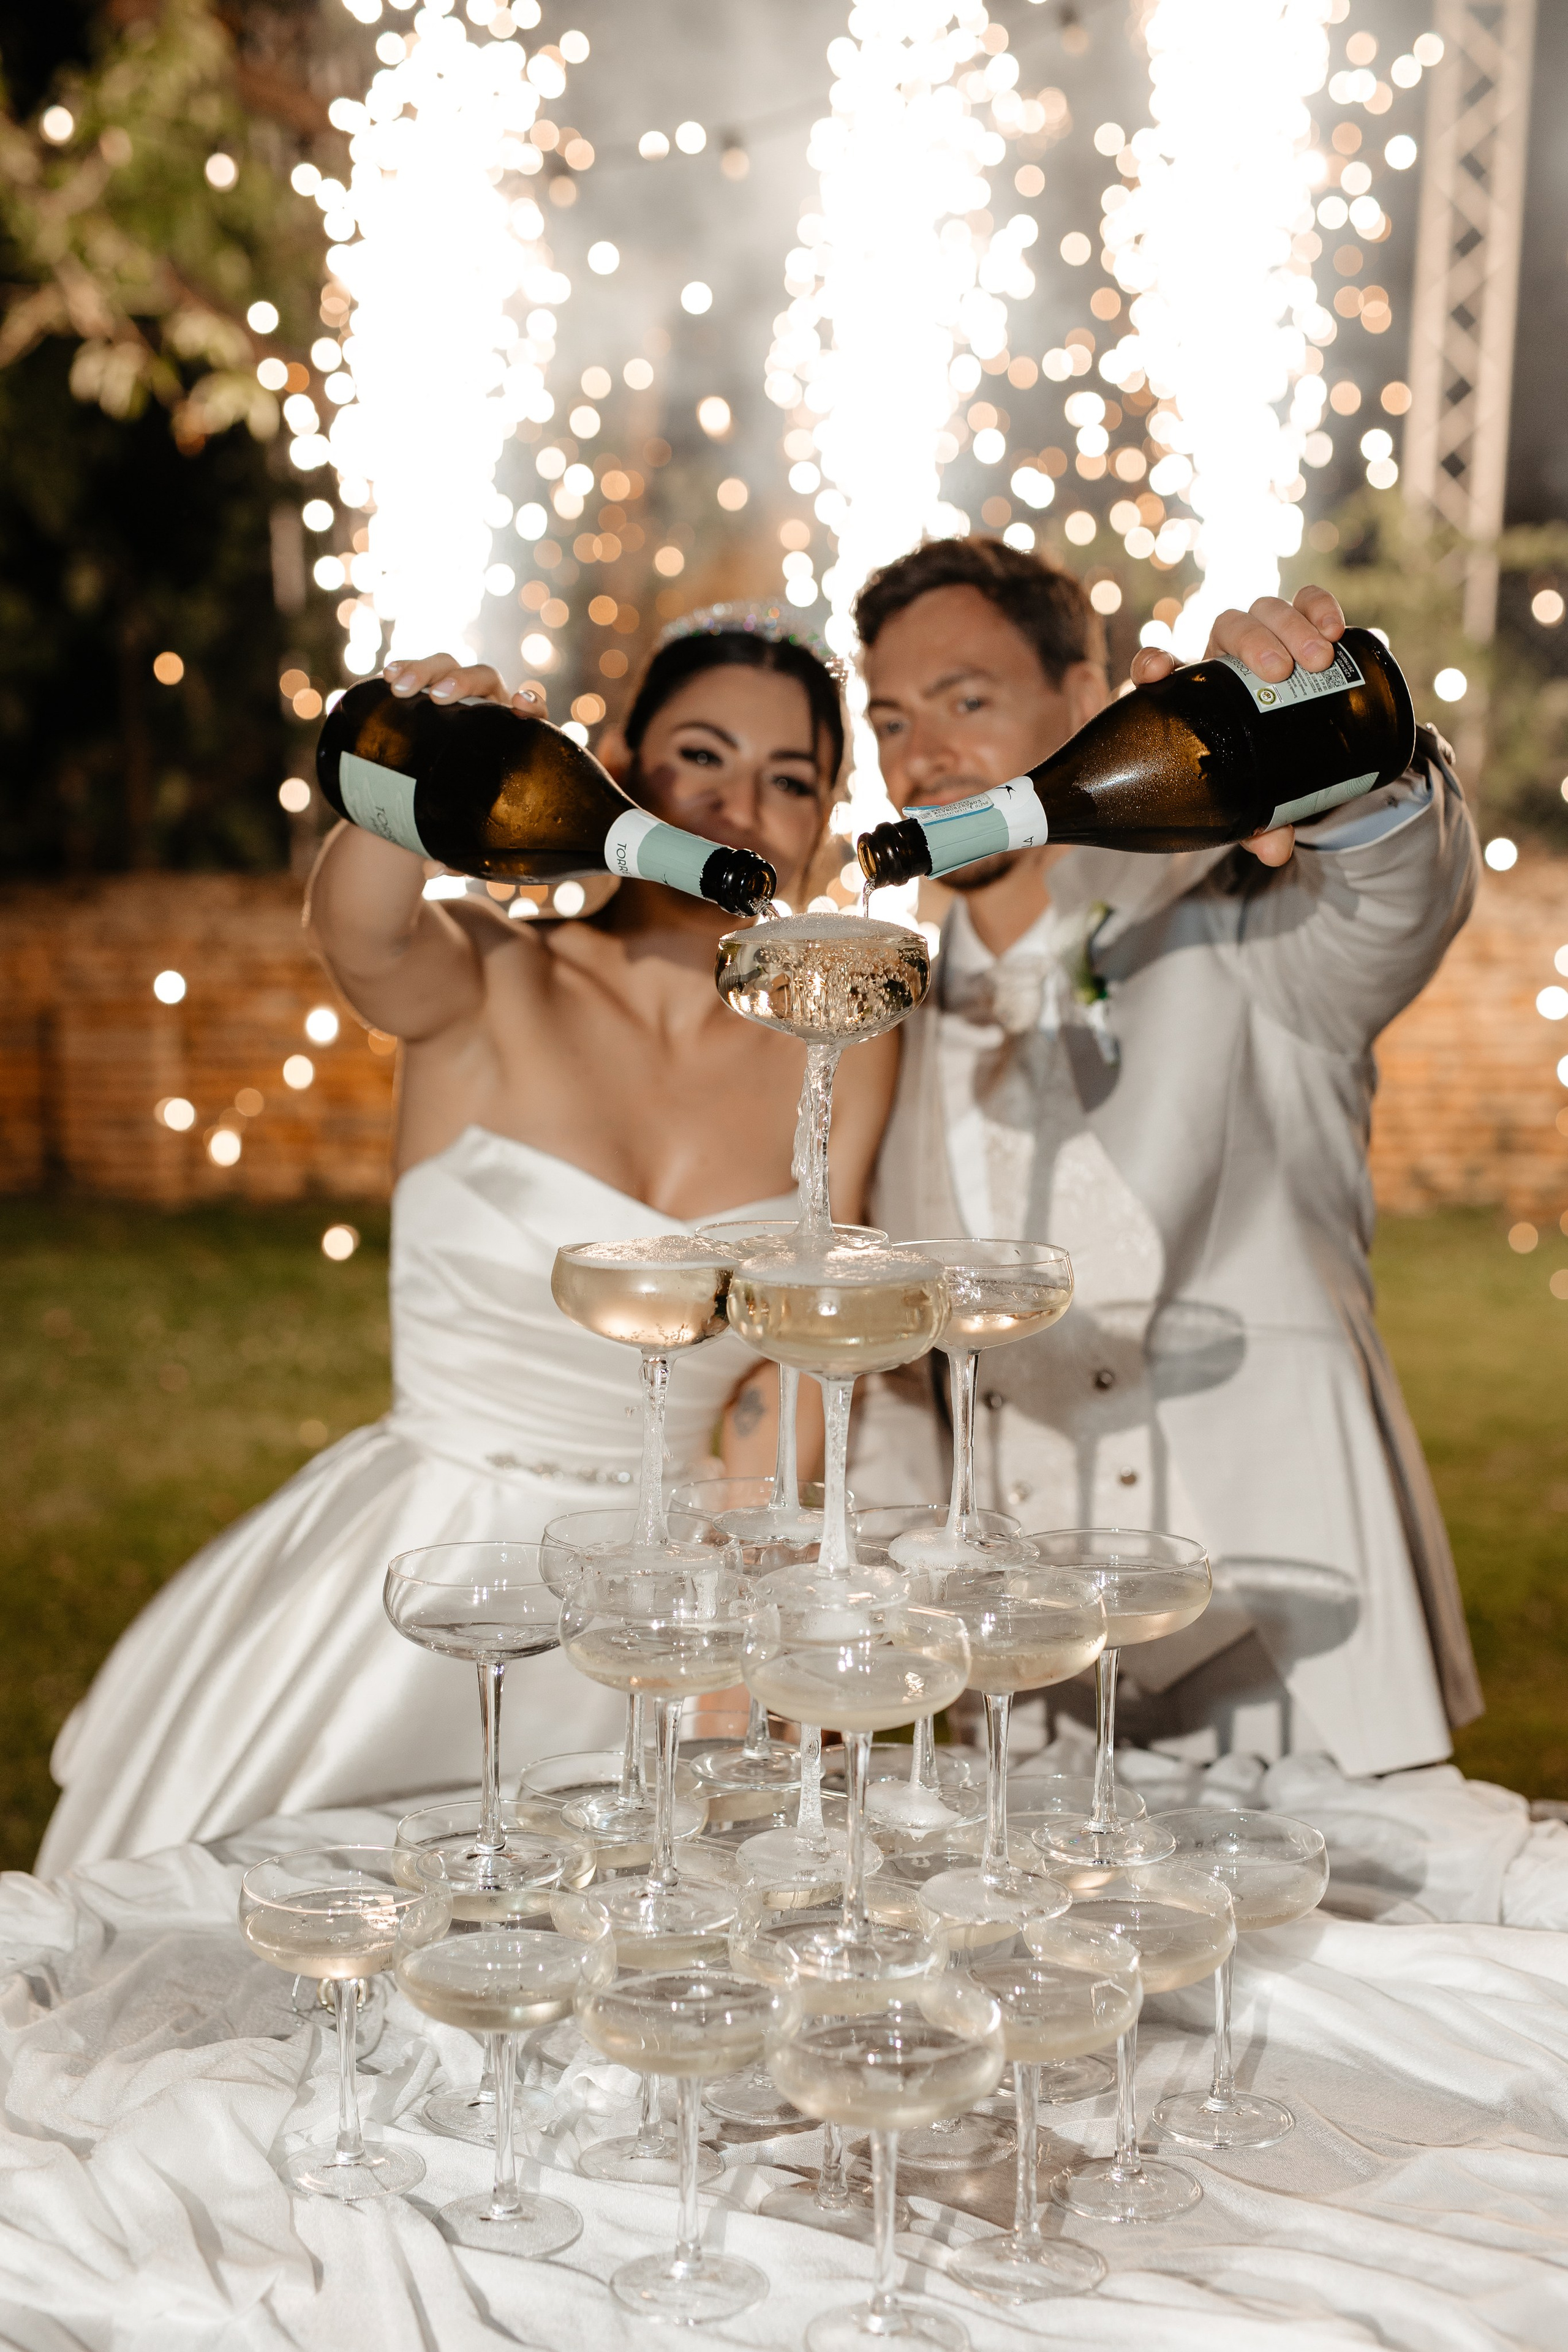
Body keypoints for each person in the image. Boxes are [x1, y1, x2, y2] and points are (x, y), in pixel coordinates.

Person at [40, 607, 891, 1873]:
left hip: (658, 1603)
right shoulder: (489, 972)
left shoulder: (839, 1043)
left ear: (819, 822)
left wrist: (751, 1621)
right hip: (430, 1572)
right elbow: (359, 932)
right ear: (619, 771)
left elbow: (788, 1368)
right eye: (698, 757)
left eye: (788, 780)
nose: (735, 803)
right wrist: (416, 776)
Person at [848, 535, 1482, 1779]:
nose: (922, 754)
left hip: (1292, 1649)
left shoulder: (1249, 905)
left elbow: (1399, 892)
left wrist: (1337, 763)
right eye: (888, 718)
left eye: (966, 702)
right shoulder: (893, 1025)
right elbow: (900, 1384)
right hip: (1026, 1701)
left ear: (1084, 704)